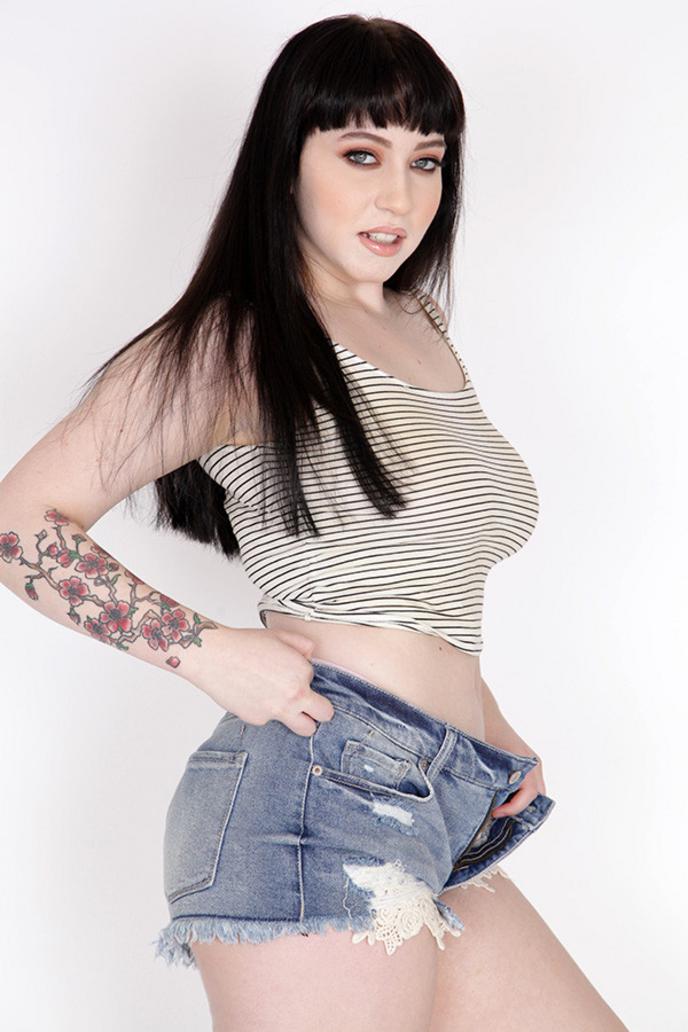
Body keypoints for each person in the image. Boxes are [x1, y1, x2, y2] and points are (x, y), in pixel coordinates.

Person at [0, 14, 628, 1032]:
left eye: (427, 161)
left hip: (445, 792)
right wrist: (205, 650)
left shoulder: (417, 326)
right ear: (285, 161)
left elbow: (407, 575)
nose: (400, 197)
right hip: (314, 798)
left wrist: (487, 722)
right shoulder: (238, 340)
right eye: (360, 154)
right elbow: (21, 523)